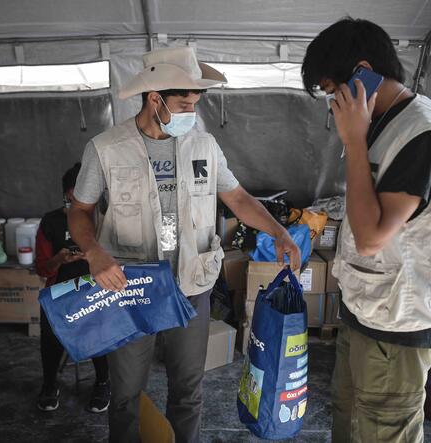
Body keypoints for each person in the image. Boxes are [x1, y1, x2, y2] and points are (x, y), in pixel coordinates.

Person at [68, 47, 301, 443]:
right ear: (154, 98)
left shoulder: (203, 146)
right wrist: (94, 252)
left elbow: (239, 198)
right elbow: (80, 210)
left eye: (194, 104)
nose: (190, 114)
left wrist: (278, 232)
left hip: (191, 286)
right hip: (131, 289)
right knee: (125, 395)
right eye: (183, 104)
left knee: (188, 392)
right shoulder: (105, 149)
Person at [302, 18, 431, 442]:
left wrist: (353, 142)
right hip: (366, 310)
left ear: (362, 74)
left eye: (332, 91)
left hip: (400, 324)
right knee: (347, 414)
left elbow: (373, 237)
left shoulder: (420, 133)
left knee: (382, 431)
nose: (333, 103)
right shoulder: (381, 124)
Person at [35, 162, 110, 413]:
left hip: (96, 288)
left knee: (101, 327)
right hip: (61, 291)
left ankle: (103, 382)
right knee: (50, 328)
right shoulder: (51, 222)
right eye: (73, 194)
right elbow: (42, 268)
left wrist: (94, 257)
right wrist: (59, 258)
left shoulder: (104, 221)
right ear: (67, 194)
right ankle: (49, 384)